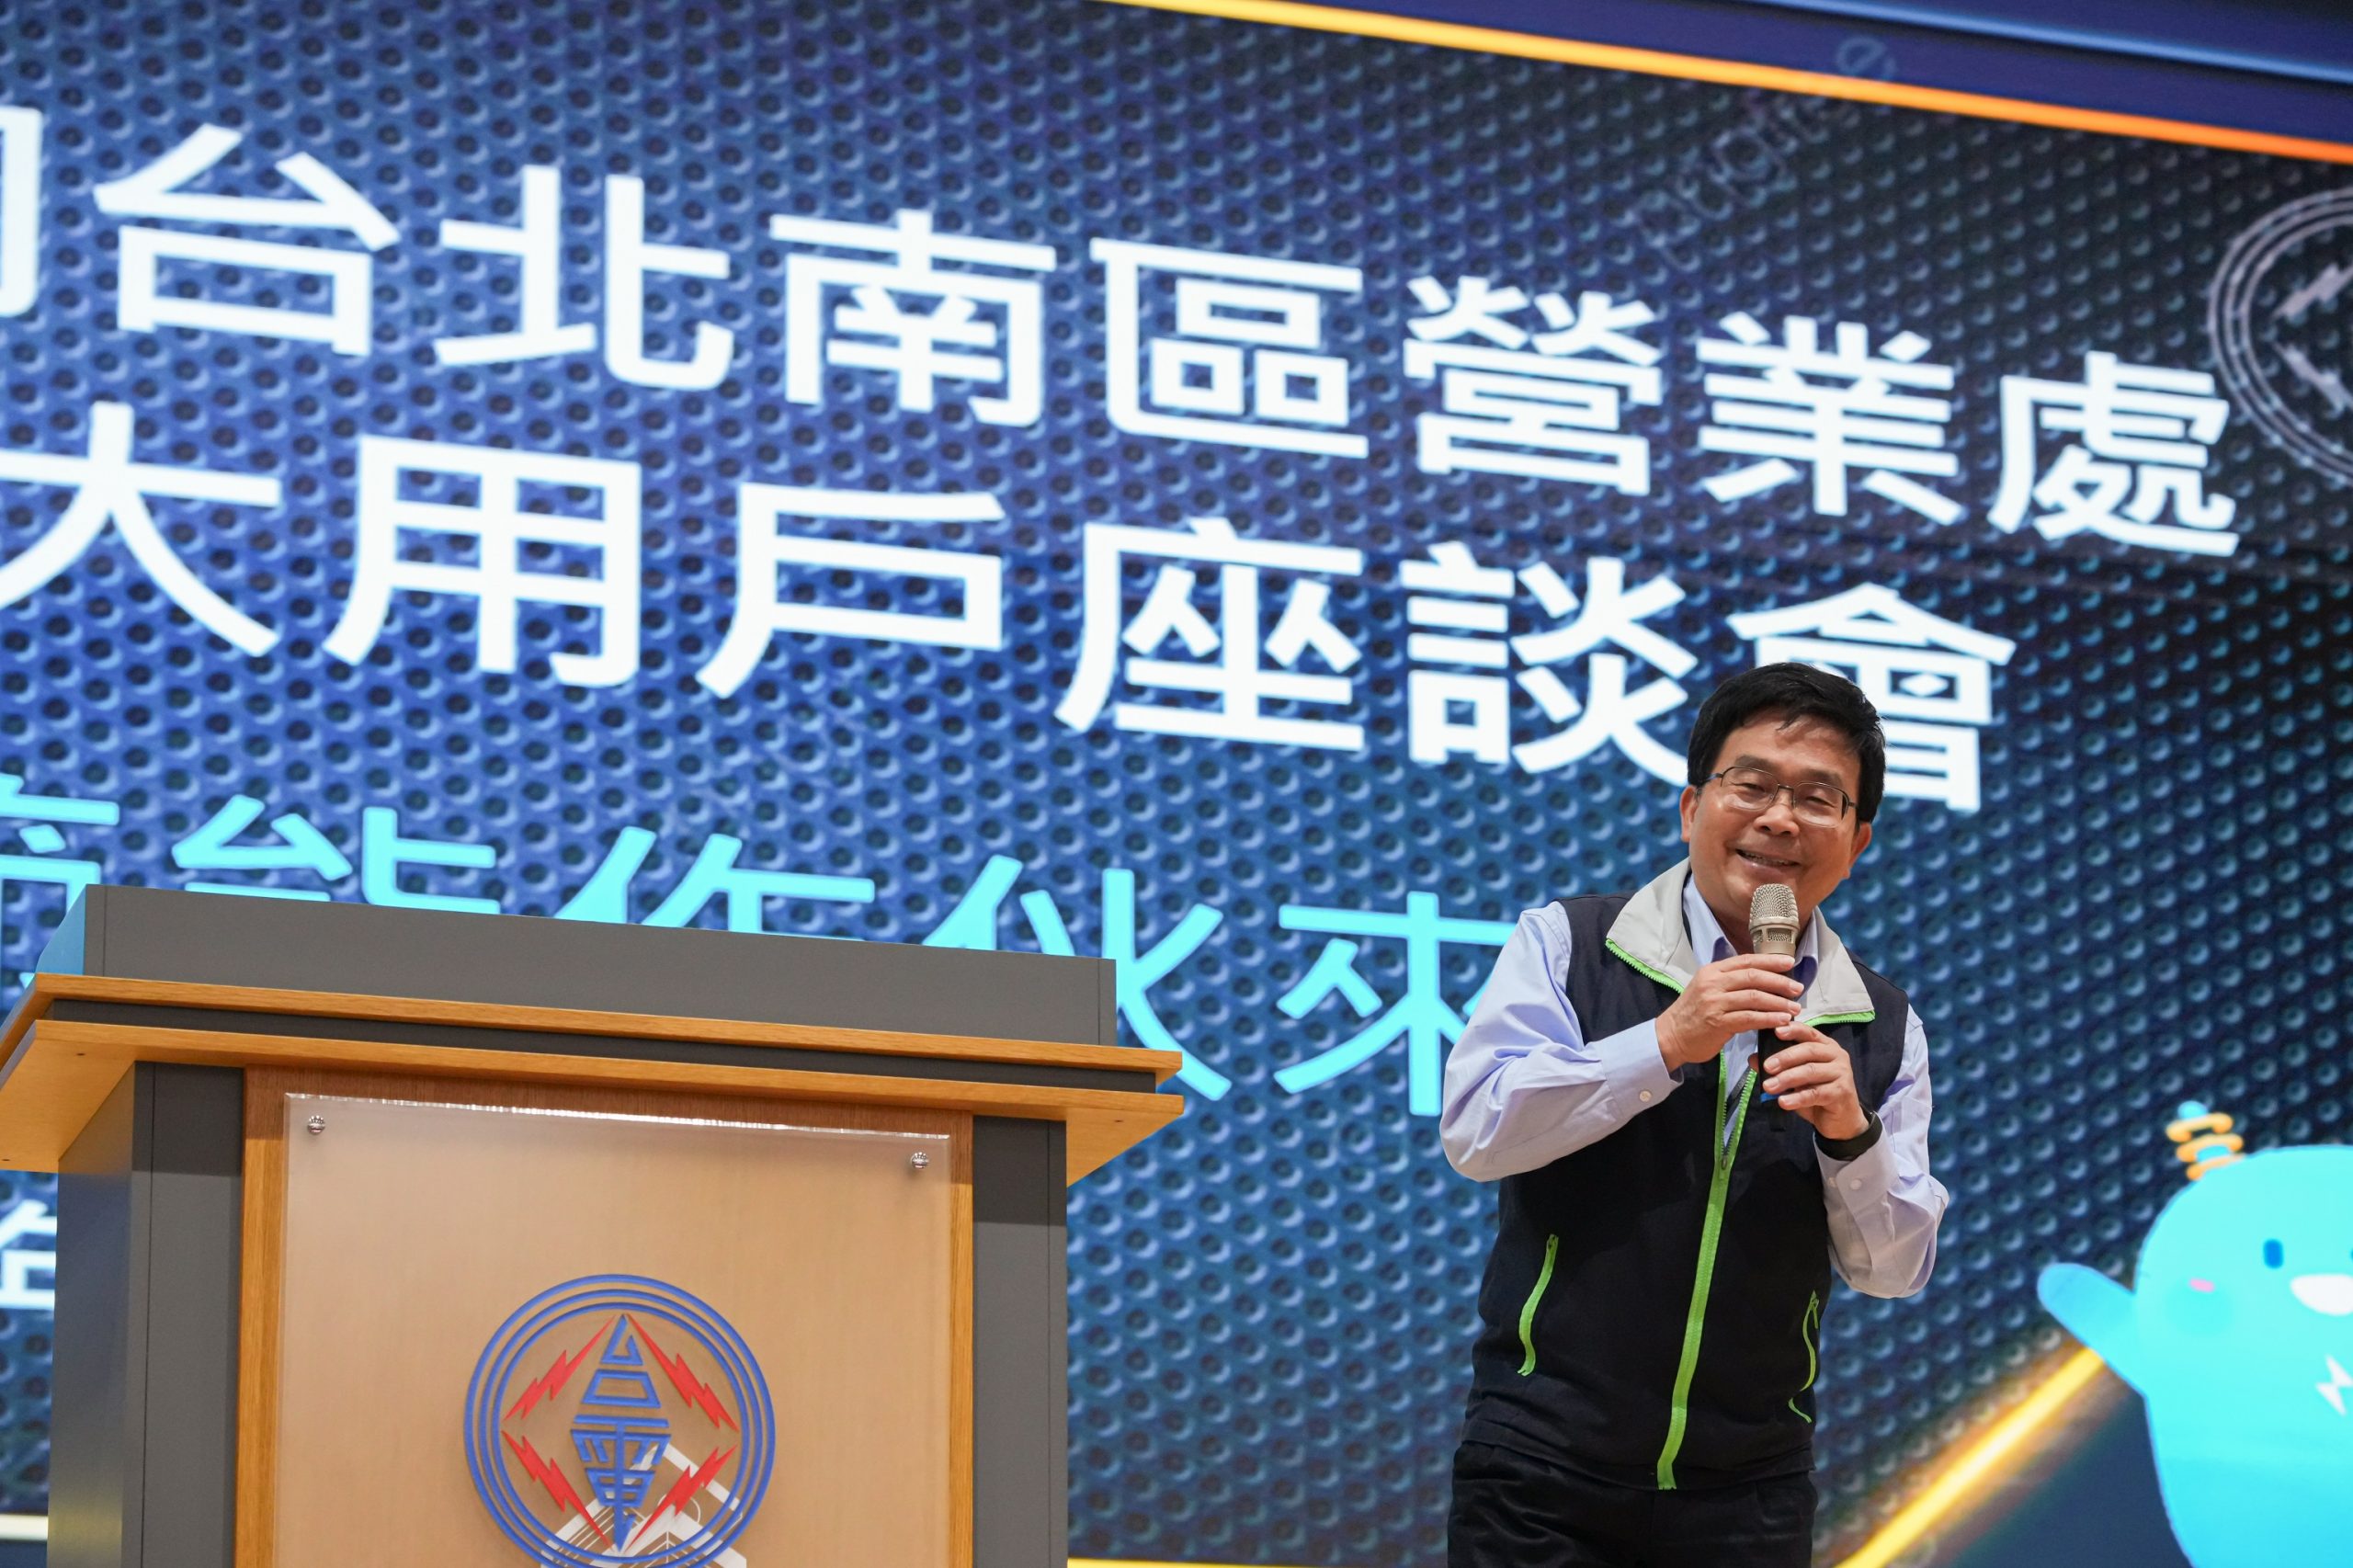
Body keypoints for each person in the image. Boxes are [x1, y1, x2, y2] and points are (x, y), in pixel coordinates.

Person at [1440, 662, 1948, 1568]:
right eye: (1751, 784)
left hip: (1749, 1492)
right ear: (1691, 806)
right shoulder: (1570, 944)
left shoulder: (1881, 1023)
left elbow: (1894, 1269)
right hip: (1542, 1466)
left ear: (1856, 840)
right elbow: (1480, 1131)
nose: (1780, 818)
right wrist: (1668, 1040)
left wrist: (1851, 1136)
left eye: (1817, 798)